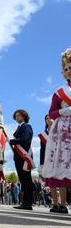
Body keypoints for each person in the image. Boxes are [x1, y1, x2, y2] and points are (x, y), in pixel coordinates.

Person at [42, 47, 71, 214]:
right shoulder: (59, 93)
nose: (69, 71)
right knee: (61, 163)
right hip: (63, 131)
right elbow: (51, 113)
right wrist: (63, 111)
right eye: (66, 69)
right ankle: (59, 203)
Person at [9, 109, 34, 210]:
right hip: (18, 157)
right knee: (23, 180)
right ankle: (25, 202)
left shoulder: (27, 126)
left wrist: (13, 141)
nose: (16, 117)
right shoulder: (19, 127)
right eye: (16, 116)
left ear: (24, 116)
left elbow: (25, 139)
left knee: (26, 180)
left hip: (24, 157)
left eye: (18, 115)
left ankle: (28, 203)